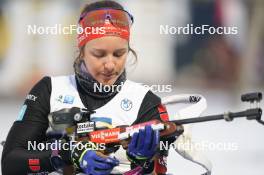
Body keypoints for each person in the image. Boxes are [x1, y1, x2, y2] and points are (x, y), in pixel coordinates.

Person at [1, 1, 182, 175]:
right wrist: (67, 156)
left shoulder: (146, 102)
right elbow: (10, 163)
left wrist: (143, 161)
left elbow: (157, 171)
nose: (110, 64)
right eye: (99, 54)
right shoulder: (49, 90)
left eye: (119, 54)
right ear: (82, 50)